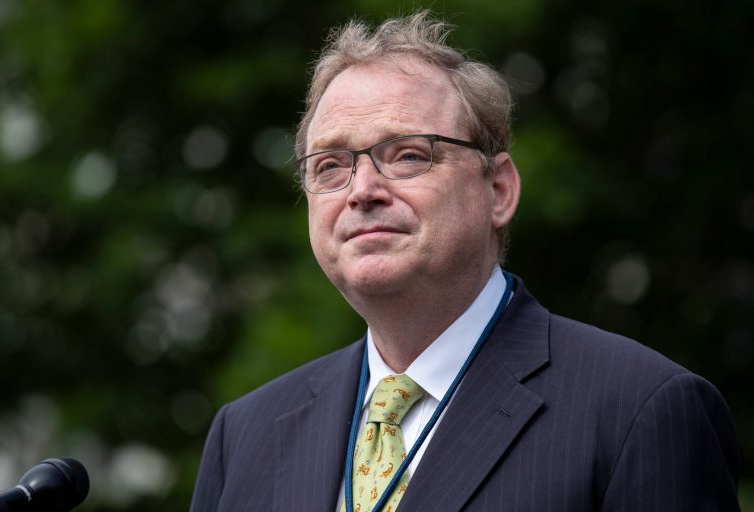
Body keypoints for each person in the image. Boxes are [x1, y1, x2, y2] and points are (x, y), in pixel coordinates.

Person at [190, 11, 739, 512]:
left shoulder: (641, 412)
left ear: (497, 190)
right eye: (330, 165)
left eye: (407, 154)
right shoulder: (243, 436)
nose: (361, 191)